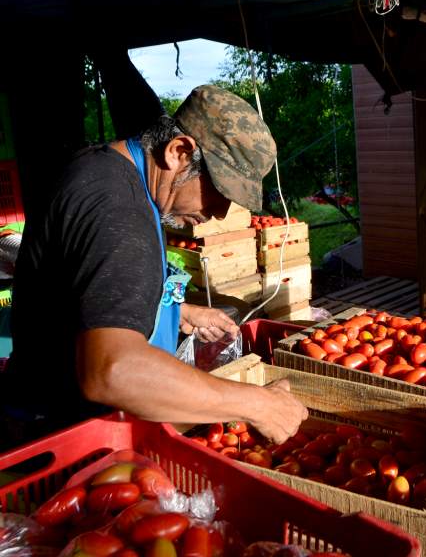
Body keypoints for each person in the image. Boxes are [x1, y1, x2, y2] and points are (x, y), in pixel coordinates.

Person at [0, 85, 308, 448]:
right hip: (63, 434)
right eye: (220, 191)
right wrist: (256, 403)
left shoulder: (105, 170)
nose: (221, 213)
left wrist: (174, 311)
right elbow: (113, 370)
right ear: (179, 152)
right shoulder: (118, 209)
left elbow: (86, 289)